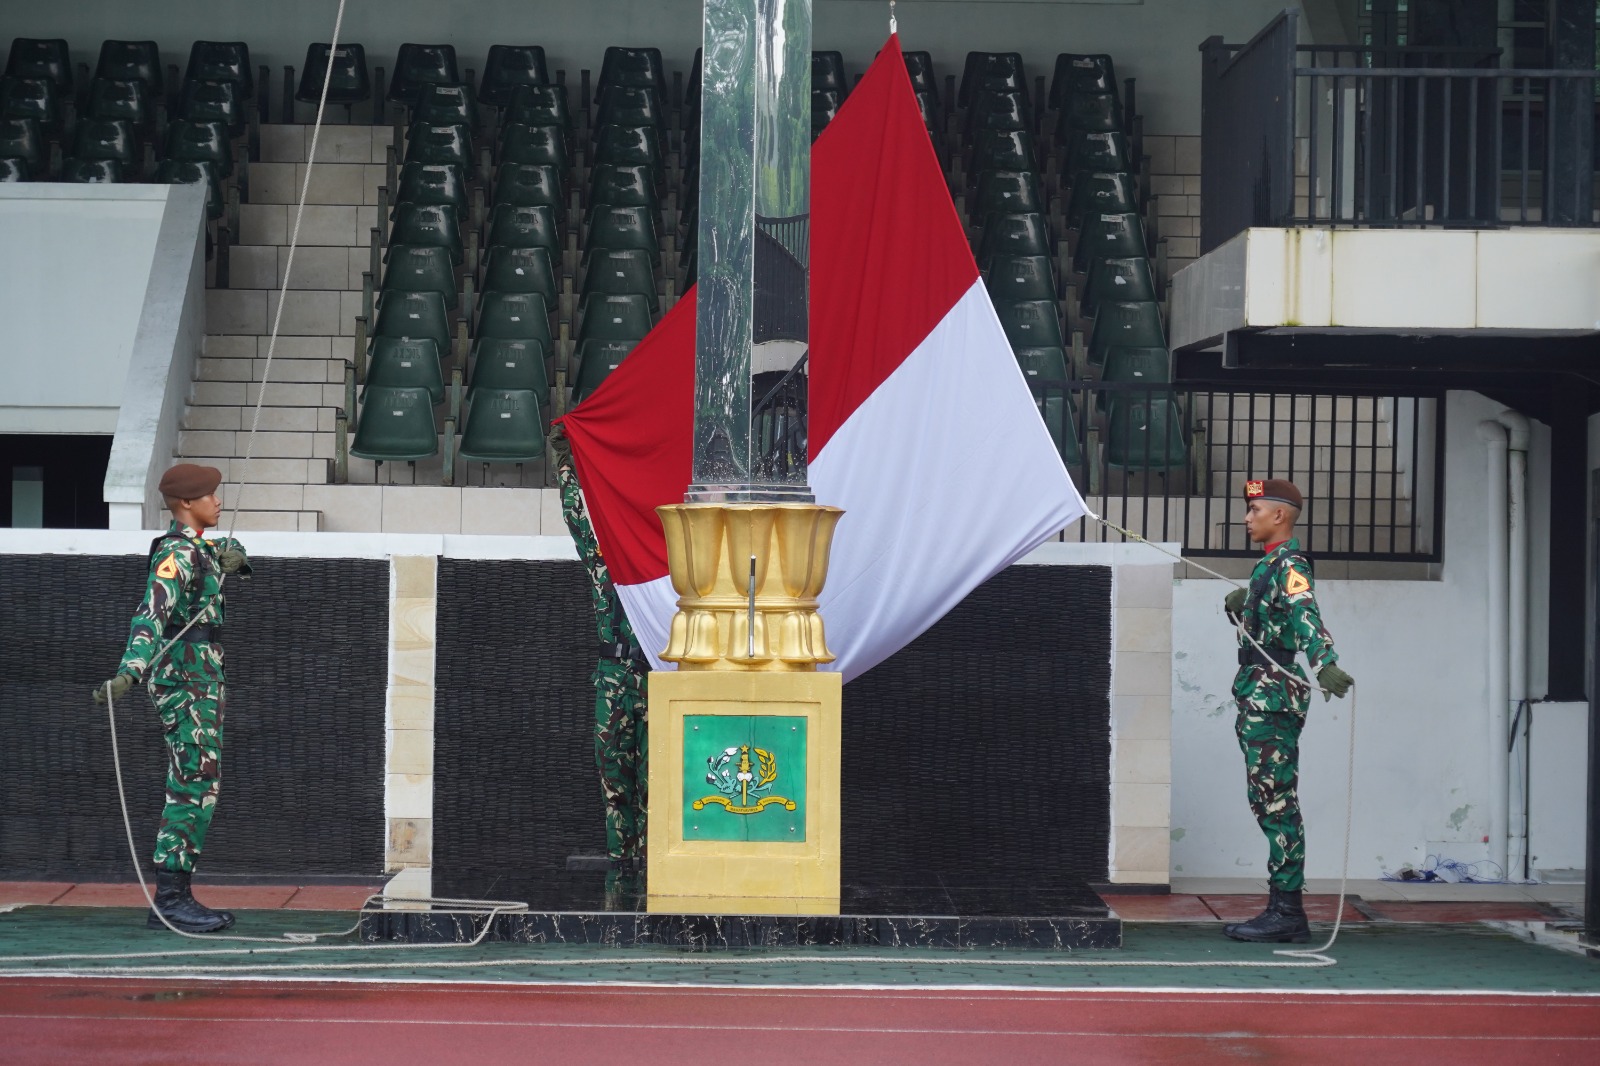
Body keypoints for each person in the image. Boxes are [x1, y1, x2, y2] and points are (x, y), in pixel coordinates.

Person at [93, 463, 251, 933]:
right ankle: (170, 899)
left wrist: (237, 557)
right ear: (186, 504)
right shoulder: (176, 555)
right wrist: (129, 672)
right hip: (184, 681)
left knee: (200, 781)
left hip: (201, 678)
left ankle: (175, 894)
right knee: (193, 782)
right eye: (208, 495)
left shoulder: (203, 546)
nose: (218, 501)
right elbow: (151, 614)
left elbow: (228, 550)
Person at [1220, 478, 1353, 943]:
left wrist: (1326, 663)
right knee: (1267, 799)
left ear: (1280, 515)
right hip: (1258, 689)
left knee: (1276, 802)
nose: (1246, 517)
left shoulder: (1290, 564)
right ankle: (1283, 907)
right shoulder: (1267, 566)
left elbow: (1304, 611)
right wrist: (1245, 601)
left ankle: (1287, 911)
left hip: (1272, 694)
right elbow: (1274, 616)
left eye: (1255, 510)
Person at [548, 423, 648, 896]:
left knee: (655, 776)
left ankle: (651, 865)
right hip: (613, 675)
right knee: (612, 774)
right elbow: (577, 520)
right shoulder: (604, 562)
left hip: (657, 678)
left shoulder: (666, 569)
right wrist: (566, 467)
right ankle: (620, 865)